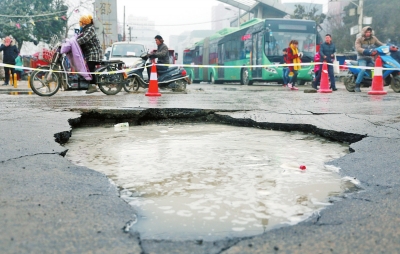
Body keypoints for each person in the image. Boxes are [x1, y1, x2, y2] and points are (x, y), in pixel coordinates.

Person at [76, 14, 102, 94]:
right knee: (88, 68)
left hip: (94, 53)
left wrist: (75, 42)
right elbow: (79, 37)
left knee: (90, 68)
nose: (81, 24)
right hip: (89, 53)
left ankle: (93, 86)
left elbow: (84, 39)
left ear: (84, 22)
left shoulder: (90, 29)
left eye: (81, 22)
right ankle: (91, 85)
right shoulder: (85, 30)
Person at [354, 26, 384, 92]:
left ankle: (376, 82)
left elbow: (380, 44)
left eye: (369, 32)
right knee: (363, 69)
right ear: (364, 32)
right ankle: (357, 85)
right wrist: (366, 51)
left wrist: (388, 46)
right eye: (367, 32)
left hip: (370, 58)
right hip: (362, 58)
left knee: (378, 68)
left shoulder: (373, 38)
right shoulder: (359, 39)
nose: (368, 33)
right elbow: (358, 48)